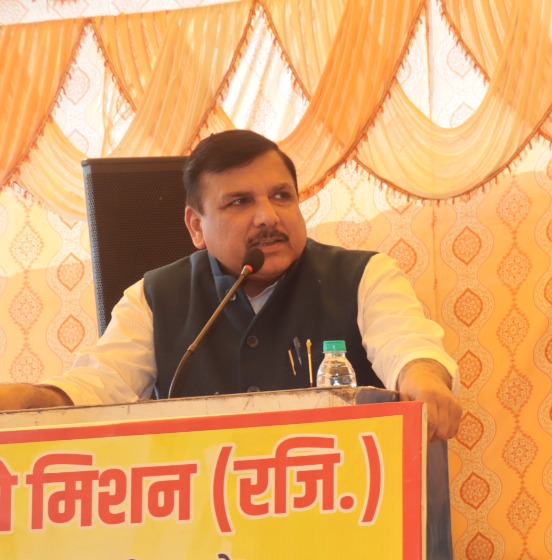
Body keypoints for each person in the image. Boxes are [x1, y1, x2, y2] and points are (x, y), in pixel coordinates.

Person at [0, 129, 460, 439]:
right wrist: (34, 400)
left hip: (346, 510)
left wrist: (423, 380)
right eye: (239, 202)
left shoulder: (364, 276)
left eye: (281, 196)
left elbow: (407, 347)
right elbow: (101, 385)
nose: (268, 216)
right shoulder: (155, 298)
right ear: (195, 226)